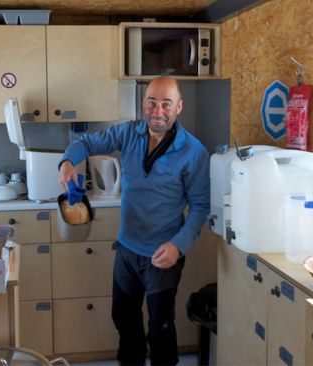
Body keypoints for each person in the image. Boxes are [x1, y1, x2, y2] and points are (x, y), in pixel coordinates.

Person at [58, 76, 210, 366]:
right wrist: (67, 162)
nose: (158, 111)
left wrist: (179, 246)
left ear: (179, 107)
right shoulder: (129, 133)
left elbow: (200, 207)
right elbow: (87, 143)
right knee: (124, 322)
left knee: (160, 330)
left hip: (162, 256)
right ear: (144, 104)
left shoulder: (194, 152)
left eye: (166, 104)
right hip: (127, 251)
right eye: (152, 102)